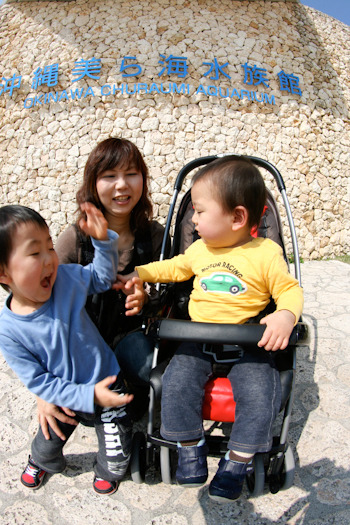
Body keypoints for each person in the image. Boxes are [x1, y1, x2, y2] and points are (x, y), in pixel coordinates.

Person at [118, 156, 304, 503]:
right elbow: (173, 268)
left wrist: (285, 316)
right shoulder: (199, 250)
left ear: (237, 217)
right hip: (197, 339)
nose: (194, 219)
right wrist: (139, 274)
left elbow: (290, 290)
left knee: (262, 396)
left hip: (248, 342)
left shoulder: (266, 252)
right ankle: (189, 445)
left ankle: (238, 460)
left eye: (201, 212)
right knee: (175, 383)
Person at [38, 137, 169, 438]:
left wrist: (146, 299)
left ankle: (131, 402)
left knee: (154, 370)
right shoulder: (75, 240)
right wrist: (44, 389)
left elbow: (170, 299)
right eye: (109, 176)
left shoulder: (155, 236)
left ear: (143, 180)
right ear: (93, 184)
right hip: (82, 344)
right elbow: (45, 305)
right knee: (68, 409)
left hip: (133, 338)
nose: (122, 185)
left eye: (131, 174)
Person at [0, 203, 134, 495]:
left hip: (107, 379)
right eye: (35, 253)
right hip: (64, 392)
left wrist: (103, 241)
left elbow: (101, 277)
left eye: (50, 246)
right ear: (3, 273)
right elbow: (40, 381)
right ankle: (42, 459)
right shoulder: (9, 331)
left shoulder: (66, 280)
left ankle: (108, 466)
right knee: (50, 432)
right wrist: (84, 396)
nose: (49, 259)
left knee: (117, 456)